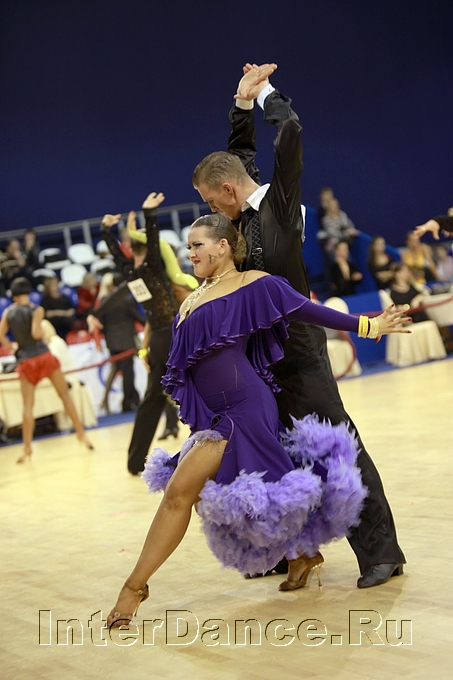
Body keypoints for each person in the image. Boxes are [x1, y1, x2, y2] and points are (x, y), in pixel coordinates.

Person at [106, 215, 409, 627]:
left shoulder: (254, 284)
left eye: (197, 245)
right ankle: (302, 555)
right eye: (189, 246)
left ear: (223, 246)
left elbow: (307, 310)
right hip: (216, 414)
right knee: (250, 491)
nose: (190, 253)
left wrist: (368, 325)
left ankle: (133, 589)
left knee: (179, 492)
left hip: (244, 408)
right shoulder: (196, 294)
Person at [192, 62, 406, 588]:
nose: (210, 210)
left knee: (335, 447)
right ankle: (287, 552)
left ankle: (382, 553)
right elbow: (239, 156)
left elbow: (289, 132)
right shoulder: (239, 214)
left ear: (227, 192)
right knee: (270, 453)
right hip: (254, 361)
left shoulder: (280, 207)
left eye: (210, 201)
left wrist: (268, 93)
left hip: (298, 350)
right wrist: (241, 105)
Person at [88, 192, 198, 475]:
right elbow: (153, 242)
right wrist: (150, 214)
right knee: (199, 388)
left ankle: (135, 461)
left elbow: (117, 254)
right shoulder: (152, 269)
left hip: (158, 341)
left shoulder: (131, 273)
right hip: (176, 335)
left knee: (152, 400)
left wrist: (105, 230)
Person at [0, 278, 93, 463]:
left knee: (28, 406)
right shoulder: (36, 309)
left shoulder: (9, 312)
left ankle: (27, 448)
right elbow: (36, 333)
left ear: (14, 295)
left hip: (26, 360)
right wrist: (41, 333)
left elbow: (1, 334)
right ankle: (81, 434)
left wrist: (13, 348)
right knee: (65, 396)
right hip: (43, 356)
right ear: (28, 292)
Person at [95, 272, 145, 413]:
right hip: (126, 341)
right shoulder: (126, 300)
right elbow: (138, 318)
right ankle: (128, 402)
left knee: (116, 370)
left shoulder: (105, 300)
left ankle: (114, 400)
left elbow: (100, 322)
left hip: (111, 342)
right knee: (127, 372)